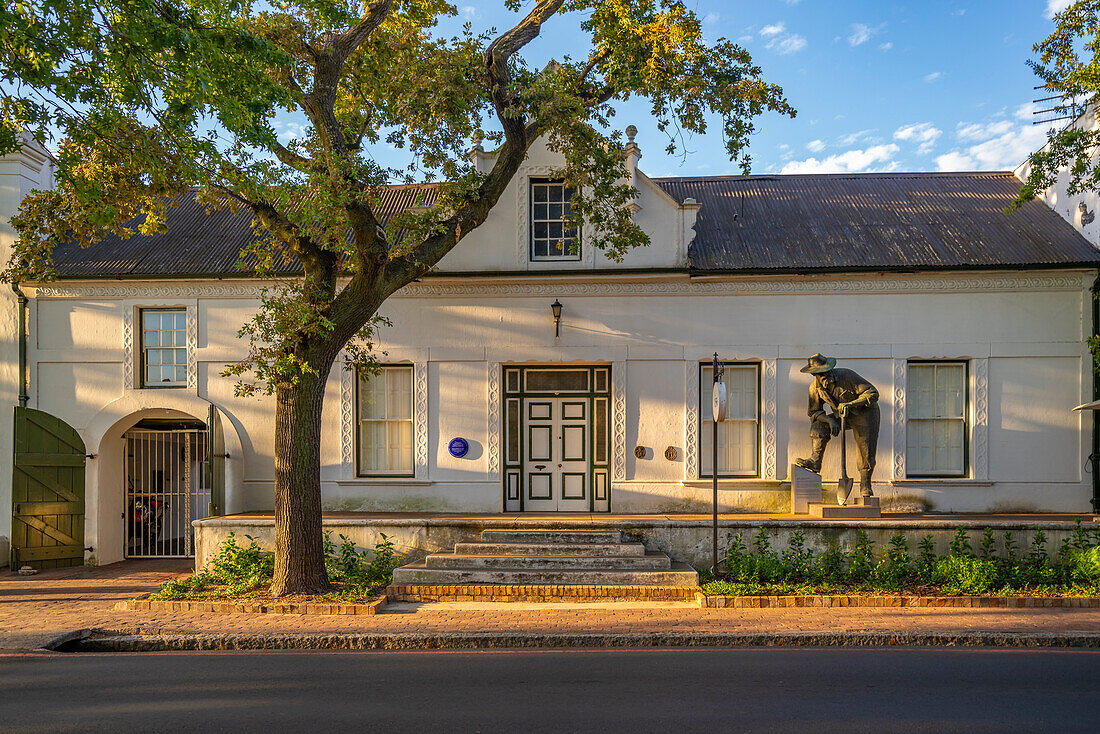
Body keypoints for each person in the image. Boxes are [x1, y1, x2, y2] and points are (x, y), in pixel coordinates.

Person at [794, 353, 880, 498]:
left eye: (826, 372)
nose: (825, 376)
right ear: (814, 375)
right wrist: (830, 421)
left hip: (865, 413)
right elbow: (814, 412)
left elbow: (872, 393)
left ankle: (865, 483)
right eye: (820, 374)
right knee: (817, 426)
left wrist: (850, 404)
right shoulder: (814, 388)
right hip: (841, 416)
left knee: (865, 447)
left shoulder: (847, 375)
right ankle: (815, 461)